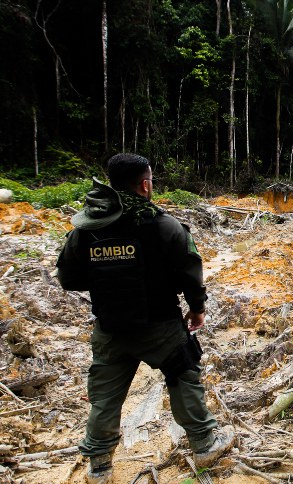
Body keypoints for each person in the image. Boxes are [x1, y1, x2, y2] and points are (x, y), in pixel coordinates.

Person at [56, 153, 234, 484]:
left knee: (105, 395)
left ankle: (99, 465)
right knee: (184, 376)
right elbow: (190, 274)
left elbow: (68, 278)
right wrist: (197, 309)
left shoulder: (86, 230)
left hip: (110, 327)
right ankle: (205, 444)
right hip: (162, 327)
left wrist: (105, 279)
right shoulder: (164, 225)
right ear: (145, 184)